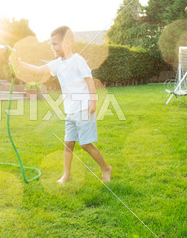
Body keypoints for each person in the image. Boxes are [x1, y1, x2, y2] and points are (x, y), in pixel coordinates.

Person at [11, 26, 112, 183]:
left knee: (85, 144)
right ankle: (66, 174)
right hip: (71, 111)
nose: (53, 47)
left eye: (55, 44)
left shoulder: (78, 60)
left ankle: (106, 168)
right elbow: (38, 70)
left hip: (84, 108)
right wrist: (20, 63)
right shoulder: (57, 64)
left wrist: (93, 102)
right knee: (68, 143)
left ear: (68, 43)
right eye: (52, 44)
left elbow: (89, 81)